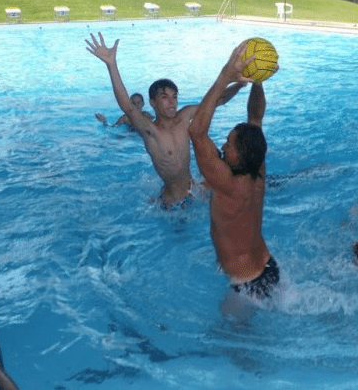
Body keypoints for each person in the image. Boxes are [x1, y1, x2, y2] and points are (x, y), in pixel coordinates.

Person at [86, 32, 245, 208]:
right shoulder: (151, 131)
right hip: (173, 204)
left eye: (174, 97)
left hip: (195, 189)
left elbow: (218, 100)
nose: (172, 101)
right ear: (153, 103)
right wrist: (111, 65)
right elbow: (128, 107)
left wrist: (240, 83)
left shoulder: (184, 117)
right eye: (164, 97)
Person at [188, 42, 278, 300]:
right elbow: (256, 118)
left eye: (229, 143)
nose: (224, 145)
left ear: (240, 153)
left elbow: (196, 132)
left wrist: (226, 75)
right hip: (268, 266)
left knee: (223, 339)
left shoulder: (226, 183)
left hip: (247, 286)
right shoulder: (257, 165)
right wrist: (258, 80)